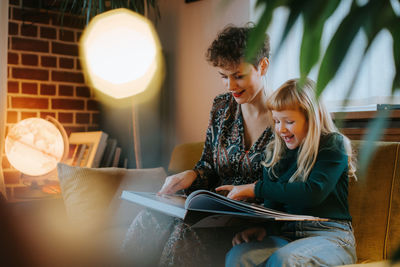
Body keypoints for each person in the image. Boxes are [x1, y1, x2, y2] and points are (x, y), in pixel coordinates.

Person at [120, 24, 274, 266]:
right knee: (147, 218)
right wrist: (191, 175)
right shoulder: (222, 107)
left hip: (250, 226)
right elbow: (209, 165)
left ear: (262, 66)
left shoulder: (285, 118)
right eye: (223, 76)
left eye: (238, 75)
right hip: (211, 215)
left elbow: (287, 184)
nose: (230, 86)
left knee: (184, 234)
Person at [216, 78, 358, 266]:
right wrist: (265, 229)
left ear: (312, 119)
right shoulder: (275, 152)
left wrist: (256, 188)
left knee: (286, 260)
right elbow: (275, 207)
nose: (281, 129)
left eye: (289, 122)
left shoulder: (332, 145)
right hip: (286, 234)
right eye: (276, 121)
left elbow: (313, 192)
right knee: (239, 256)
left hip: (331, 235)